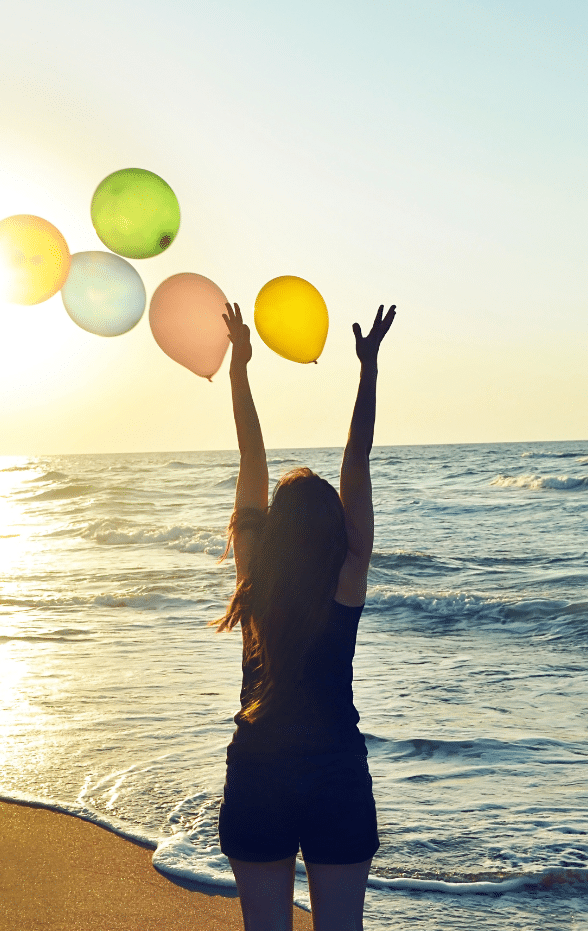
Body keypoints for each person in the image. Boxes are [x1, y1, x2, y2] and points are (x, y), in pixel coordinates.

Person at [208, 301, 396, 931]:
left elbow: (250, 467)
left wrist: (241, 369)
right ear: (333, 532)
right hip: (336, 775)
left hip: (258, 773)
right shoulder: (346, 576)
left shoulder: (255, 581)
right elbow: (358, 464)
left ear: (276, 531)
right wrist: (367, 372)